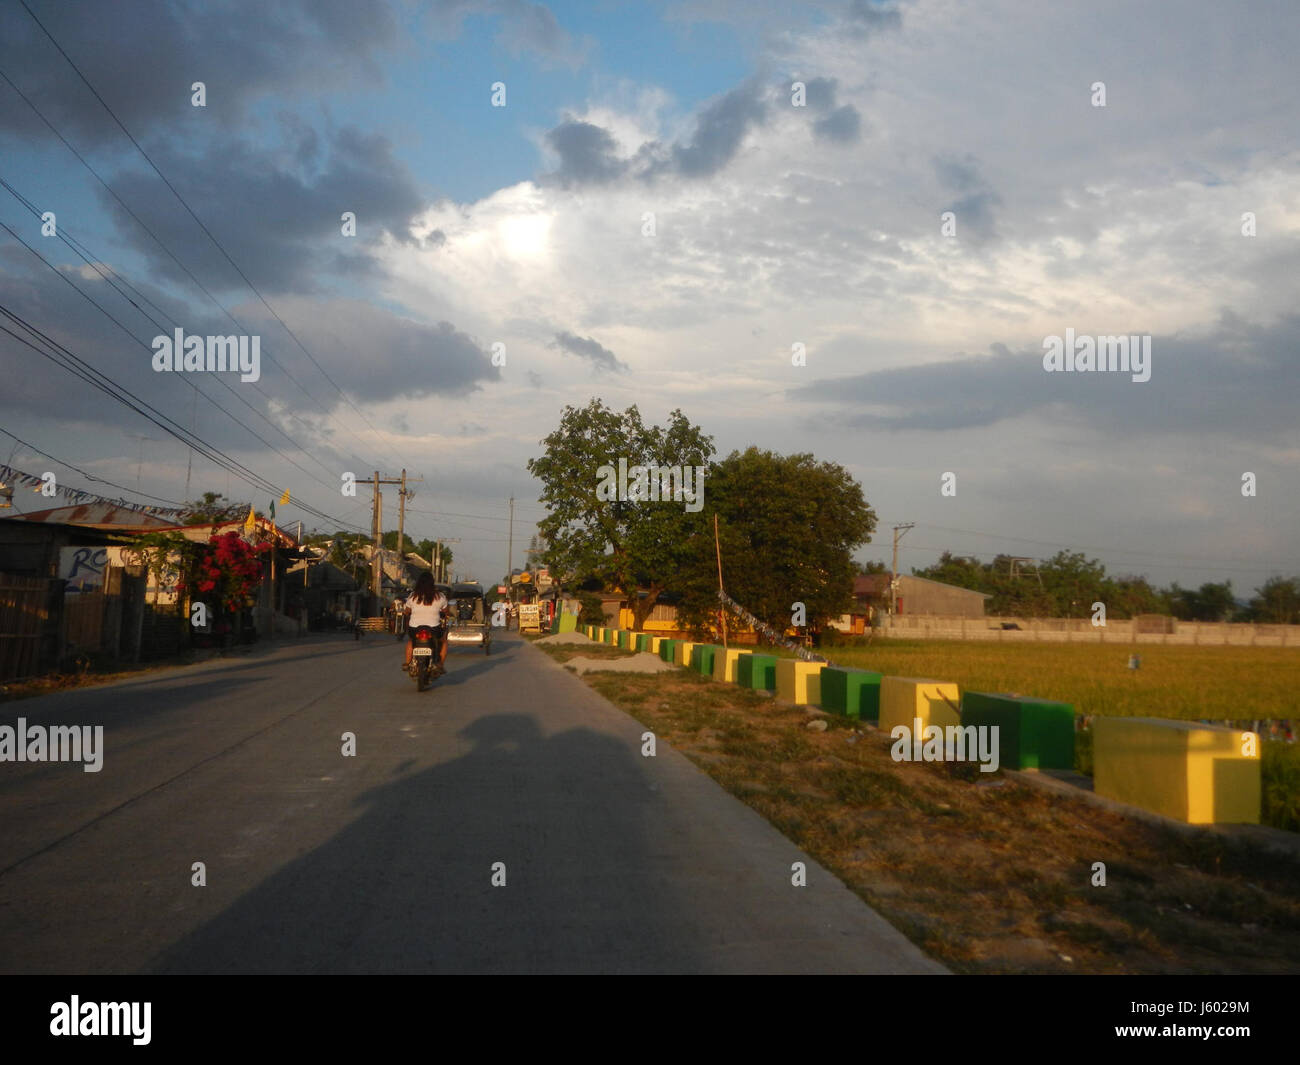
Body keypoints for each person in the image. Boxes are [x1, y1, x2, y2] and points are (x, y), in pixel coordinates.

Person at [403, 573, 449, 675]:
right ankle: (440, 664)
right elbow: (446, 612)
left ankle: (407, 663)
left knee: (411, 641)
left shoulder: (413, 596)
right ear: (432, 583)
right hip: (434, 628)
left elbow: (406, 611)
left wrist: (409, 613)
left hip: (414, 628)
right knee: (444, 641)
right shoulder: (440, 596)